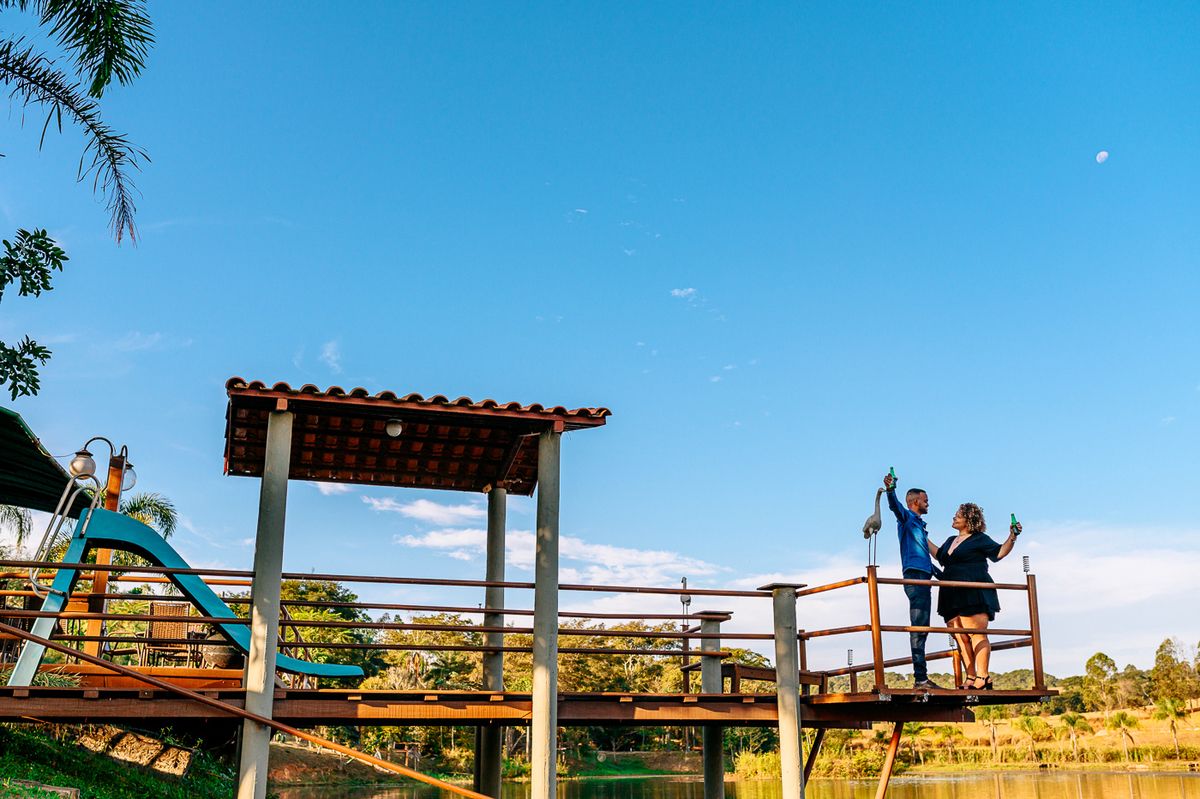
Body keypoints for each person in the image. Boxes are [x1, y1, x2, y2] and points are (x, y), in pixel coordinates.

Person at [928, 503, 1020, 690]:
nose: (954, 518)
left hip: (973, 590)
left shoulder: (979, 539)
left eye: (958, 515)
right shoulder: (950, 540)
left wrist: (1012, 536)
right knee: (960, 638)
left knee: (976, 634)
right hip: (951, 593)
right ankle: (970, 678)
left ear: (969, 520)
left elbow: (998, 552)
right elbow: (939, 555)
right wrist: (923, 537)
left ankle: (983, 677)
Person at [882, 472, 940, 691]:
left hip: (924, 576)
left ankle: (922, 676)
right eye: (925, 501)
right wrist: (890, 490)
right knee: (918, 627)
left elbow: (924, 555)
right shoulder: (906, 518)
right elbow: (895, 507)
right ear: (916, 502)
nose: (928, 504)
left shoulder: (919, 525)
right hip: (915, 578)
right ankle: (920, 678)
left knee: (923, 627)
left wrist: (942, 573)